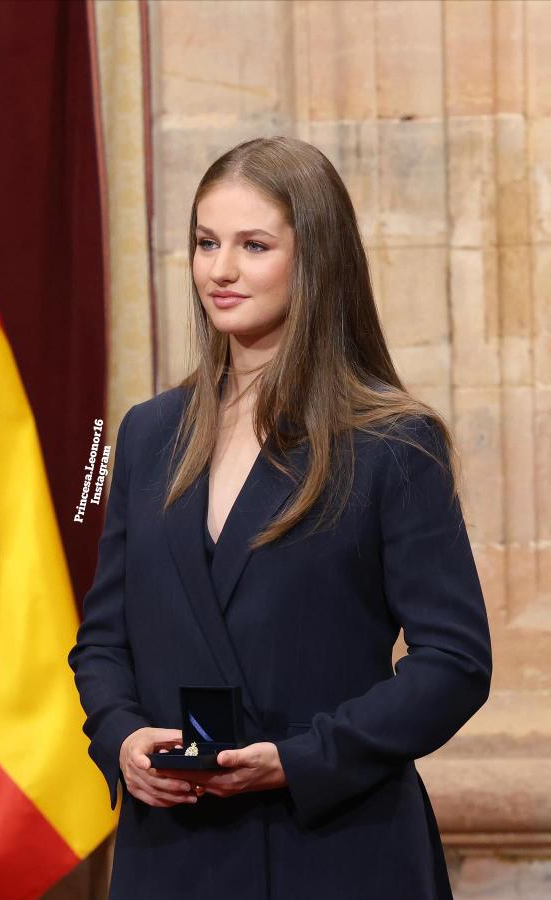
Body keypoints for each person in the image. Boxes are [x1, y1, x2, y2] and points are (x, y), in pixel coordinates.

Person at [68, 136, 492, 900]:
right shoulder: (143, 434)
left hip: (337, 850)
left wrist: (302, 760)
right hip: (173, 856)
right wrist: (122, 737)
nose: (219, 270)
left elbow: (454, 663)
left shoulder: (395, 443)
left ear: (315, 259)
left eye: (253, 245)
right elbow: (102, 640)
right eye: (205, 243)